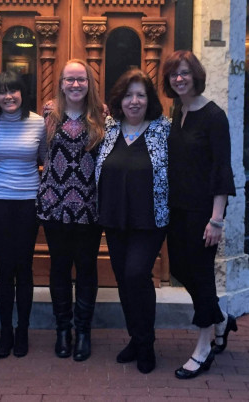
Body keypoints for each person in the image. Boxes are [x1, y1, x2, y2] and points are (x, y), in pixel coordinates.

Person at [162, 50, 236, 379]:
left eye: (184, 73)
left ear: (196, 75)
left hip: (204, 212)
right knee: (179, 268)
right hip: (177, 209)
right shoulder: (178, 110)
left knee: (202, 275)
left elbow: (222, 170)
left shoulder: (213, 115)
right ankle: (220, 319)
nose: (179, 78)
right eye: (174, 74)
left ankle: (204, 347)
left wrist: (217, 219)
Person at [95, 69, 170, 374]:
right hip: (115, 219)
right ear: (119, 100)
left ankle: (146, 341)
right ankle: (136, 339)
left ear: (149, 99)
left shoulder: (164, 130)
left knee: (137, 274)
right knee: (124, 280)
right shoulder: (109, 128)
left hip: (150, 220)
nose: (134, 101)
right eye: (128, 95)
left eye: (141, 95)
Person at [37, 59, 105, 361]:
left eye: (81, 79)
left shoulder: (102, 118)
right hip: (55, 206)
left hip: (91, 207)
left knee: (87, 268)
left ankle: (83, 332)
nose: (75, 85)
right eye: (69, 80)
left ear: (89, 83)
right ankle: (62, 330)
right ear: (61, 83)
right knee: (60, 267)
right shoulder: (49, 115)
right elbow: (40, 154)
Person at [0, 71, 47, 359]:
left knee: (23, 267)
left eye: (13, 91)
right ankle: (5, 332)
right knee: (3, 268)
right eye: (2, 91)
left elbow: (46, 160)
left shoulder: (38, 123)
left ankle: (22, 330)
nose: (8, 96)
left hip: (28, 202)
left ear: (23, 93)